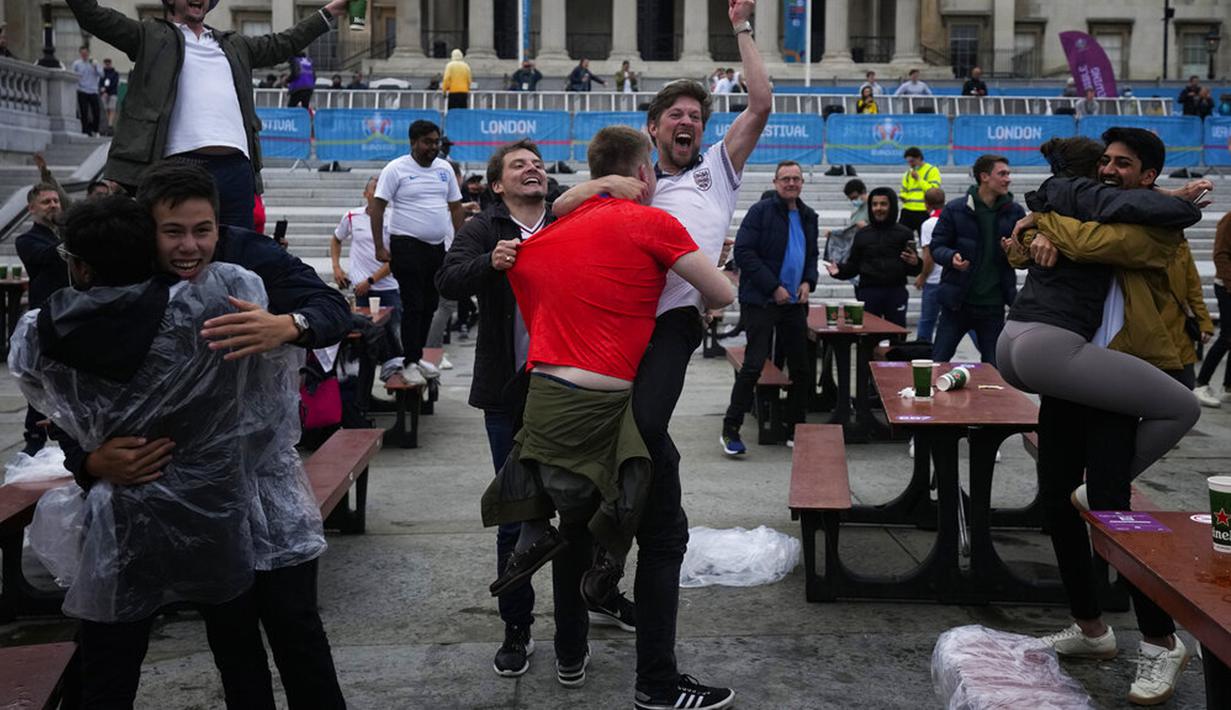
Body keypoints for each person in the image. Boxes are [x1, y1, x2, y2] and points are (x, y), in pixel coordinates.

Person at [50, 163, 351, 708]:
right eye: (173, 233)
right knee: (115, 646)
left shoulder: (247, 258)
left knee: (289, 627)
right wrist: (90, 461)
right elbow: (70, 392)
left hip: (260, 485)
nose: (190, 247)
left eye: (203, 230)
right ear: (148, 226)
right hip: (153, 492)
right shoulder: (121, 260)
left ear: (219, 223)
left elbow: (332, 307)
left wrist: (287, 326)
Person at [548, 3, 769, 706]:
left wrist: (740, 27)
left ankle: (603, 561)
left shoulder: (715, 172)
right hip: (613, 332)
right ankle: (608, 580)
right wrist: (601, 187)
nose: (686, 122)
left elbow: (761, 102)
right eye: (673, 114)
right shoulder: (627, 191)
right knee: (641, 460)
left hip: (670, 330)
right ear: (650, 129)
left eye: (694, 115)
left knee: (640, 438)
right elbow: (550, 215)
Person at [480, 124, 733, 697]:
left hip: (543, 407)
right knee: (664, 537)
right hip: (604, 406)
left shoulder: (542, 239)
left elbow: (532, 295)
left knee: (572, 528)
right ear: (643, 174)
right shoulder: (651, 222)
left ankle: (571, 653)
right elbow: (720, 294)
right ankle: (658, 684)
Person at [12, 196, 286, 708]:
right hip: (216, 508)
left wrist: (90, 459)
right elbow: (268, 412)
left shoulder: (42, 331)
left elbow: (52, 403)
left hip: (122, 509)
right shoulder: (219, 304)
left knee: (110, 666)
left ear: (80, 265)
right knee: (240, 654)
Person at [996, 132, 1205, 706]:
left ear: (1148, 176)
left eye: (1123, 165)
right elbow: (1018, 246)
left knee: (1113, 508)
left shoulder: (1158, 227)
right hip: (1076, 367)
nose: (1109, 170)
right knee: (1059, 502)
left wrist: (1040, 223)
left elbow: (1096, 243)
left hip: (1124, 369)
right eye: (1105, 161)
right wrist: (1029, 233)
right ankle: (1091, 629)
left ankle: (1162, 642)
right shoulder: (1088, 202)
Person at [438, 137, 639, 678]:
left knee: (577, 521)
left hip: (572, 396)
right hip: (509, 396)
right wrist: (490, 262)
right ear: (497, 184)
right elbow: (448, 279)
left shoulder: (568, 219)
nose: (533, 169)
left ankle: (573, 639)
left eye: (538, 164)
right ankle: (516, 629)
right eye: (519, 165)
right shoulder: (485, 228)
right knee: (518, 518)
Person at [65, 0, 347, 231]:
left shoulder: (234, 44)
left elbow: (284, 42)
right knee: (179, 254)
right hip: (180, 164)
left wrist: (330, 11)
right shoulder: (150, 36)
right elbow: (93, 16)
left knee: (237, 257)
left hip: (237, 167)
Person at [720, 160, 817, 456]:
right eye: (785, 178)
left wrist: (807, 283)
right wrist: (773, 286)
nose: (791, 183)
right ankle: (731, 429)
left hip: (794, 303)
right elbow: (745, 253)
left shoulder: (809, 215)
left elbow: (811, 255)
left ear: (802, 183)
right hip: (761, 300)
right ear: (776, 182)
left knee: (801, 367)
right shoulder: (760, 212)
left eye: (796, 179)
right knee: (754, 365)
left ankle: (794, 427)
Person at [370, 119, 464, 386]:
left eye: (436, 142)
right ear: (413, 142)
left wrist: (458, 244)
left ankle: (418, 356)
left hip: (436, 249)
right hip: (406, 245)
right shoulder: (396, 169)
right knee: (413, 305)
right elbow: (378, 207)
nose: (433, 147)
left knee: (430, 305)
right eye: (427, 142)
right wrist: (380, 245)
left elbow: (456, 208)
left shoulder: (444, 169)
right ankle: (409, 361)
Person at [926, 154, 1025, 364]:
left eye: (1008, 173)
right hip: (957, 304)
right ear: (984, 177)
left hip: (994, 305)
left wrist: (1013, 251)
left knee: (996, 370)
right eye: (1002, 174)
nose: (1008, 179)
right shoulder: (955, 209)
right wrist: (951, 257)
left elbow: (1025, 255)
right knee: (938, 363)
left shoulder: (1014, 212)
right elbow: (937, 246)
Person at [331, 176, 403, 382]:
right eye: (374, 188)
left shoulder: (394, 218)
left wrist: (370, 281)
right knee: (362, 345)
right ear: (366, 194)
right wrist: (337, 267)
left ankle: (398, 387)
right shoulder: (352, 216)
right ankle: (361, 393)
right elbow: (336, 239)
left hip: (387, 290)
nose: (379, 192)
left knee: (394, 343)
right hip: (360, 294)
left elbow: (395, 257)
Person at [14, 183, 66, 456]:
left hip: (72, 315)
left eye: (56, 200)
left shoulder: (64, 235)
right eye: (46, 202)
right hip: (46, 319)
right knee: (41, 380)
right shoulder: (27, 240)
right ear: (31, 209)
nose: (54, 205)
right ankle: (34, 437)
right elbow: (49, 257)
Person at [825, 188, 921, 327]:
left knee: (896, 338)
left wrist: (916, 263)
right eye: (874, 204)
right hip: (868, 292)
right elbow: (853, 266)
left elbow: (912, 268)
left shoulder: (904, 233)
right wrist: (839, 271)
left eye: (883, 204)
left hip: (896, 292)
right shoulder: (862, 234)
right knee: (867, 336)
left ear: (892, 206)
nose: (878, 208)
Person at [1196, 211, 1231, 407]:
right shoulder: (1229, 220)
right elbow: (1220, 255)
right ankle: (1201, 383)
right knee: (1227, 337)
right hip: (1226, 287)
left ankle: (1228, 386)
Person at [913, 187, 946, 342]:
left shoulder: (928, 224)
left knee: (927, 321)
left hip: (934, 281)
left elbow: (929, 256)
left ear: (926, 204)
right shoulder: (950, 219)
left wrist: (923, 276)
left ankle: (921, 353)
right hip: (951, 278)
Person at [899, 146, 942, 235]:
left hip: (924, 210)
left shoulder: (932, 170)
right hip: (907, 210)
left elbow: (933, 191)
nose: (910, 164)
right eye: (908, 162)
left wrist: (918, 179)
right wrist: (902, 196)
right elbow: (904, 190)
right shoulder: (908, 173)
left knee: (925, 239)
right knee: (902, 238)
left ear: (919, 158)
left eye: (912, 161)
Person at [72, 45, 103, 136]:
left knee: (96, 111)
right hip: (82, 90)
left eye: (86, 53)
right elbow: (73, 76)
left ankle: (95, 129)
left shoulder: (95, 63)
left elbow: (101, 75)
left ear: (89, 53)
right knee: (84, 111)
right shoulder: (77, 64)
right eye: (82, 53)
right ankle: (85, 130)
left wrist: (95, 67)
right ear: (80, 54)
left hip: (93, 90)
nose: (84, 55)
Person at [99, 57, 120, 135]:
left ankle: (110, 124)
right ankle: (108, 125)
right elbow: (100, 83)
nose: (107, 65)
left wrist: (107, 91)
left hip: (112, 93)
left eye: (108, 63)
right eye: (106, 63)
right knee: (106, 109)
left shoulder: (115, 73)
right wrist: (103, 91)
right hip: (104, 94)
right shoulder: (102, 73)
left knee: (112, 109)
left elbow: (114, 84)